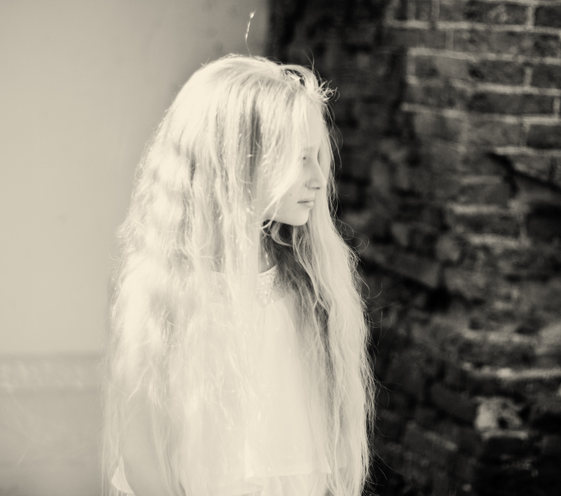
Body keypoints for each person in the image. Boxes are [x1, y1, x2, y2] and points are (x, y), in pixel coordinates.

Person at [102, 55, 374, 496]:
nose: (318, 178)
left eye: (317, 157)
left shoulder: (308, 281)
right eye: (300, 158)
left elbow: (323, 436)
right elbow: (142, 457)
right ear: (237, 163)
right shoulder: (164, 291)